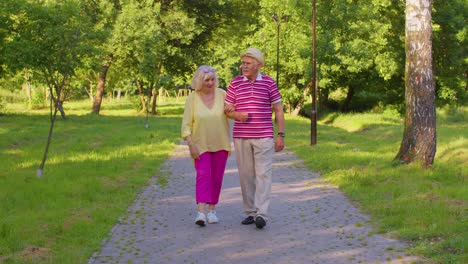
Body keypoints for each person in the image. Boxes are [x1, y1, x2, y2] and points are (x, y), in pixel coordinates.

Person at [225, 47, 285, 229]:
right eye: (243, 63)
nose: (244, 66)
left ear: (258, 65)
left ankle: (262, 214)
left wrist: (280, 135)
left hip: (264, 136)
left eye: (248, 63)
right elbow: (227, 109)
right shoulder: (235, 83)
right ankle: (250, 212)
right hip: (242, 137)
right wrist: (236, 115)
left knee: (263, 174)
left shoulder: (269, 83)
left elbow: (279, 110)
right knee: (246, 175)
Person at [181, 65, 232, 227]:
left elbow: (233, 110)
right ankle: (201, 212)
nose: (210, 83)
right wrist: (190, 144)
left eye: (212, 79)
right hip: (200, 145)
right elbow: (186, 124)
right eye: (206, 80)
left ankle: (212, 211)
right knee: (203, 175)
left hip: (220, 143)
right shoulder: (192, 99)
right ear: (199, 81)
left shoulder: (223, 94)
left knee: (216, 178)